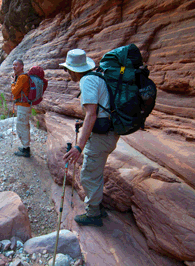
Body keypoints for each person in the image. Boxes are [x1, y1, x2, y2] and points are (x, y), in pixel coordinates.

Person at [60, 49, 120, 227]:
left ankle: (93, 213)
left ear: (74, 70)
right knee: (95, 171)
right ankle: (97, 205)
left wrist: (79, 147)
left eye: (67, 69)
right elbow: (98, 111)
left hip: (102, 136)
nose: (67, 72)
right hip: (109, 132)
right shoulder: (97, 77)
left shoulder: (87, 81)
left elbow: (92, 115)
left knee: (88, 175)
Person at [11, 59, 31, 157]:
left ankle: (26, 150)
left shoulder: (22, 77)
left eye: (16, 65)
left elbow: (14, 92)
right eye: (13, 65)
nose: (13, 67)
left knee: (22, 126)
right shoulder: (22, 77)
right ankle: (25, 147)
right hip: (23, 105)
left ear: (21, 66)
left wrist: (12, 82)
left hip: (23, 106)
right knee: (23, 126)